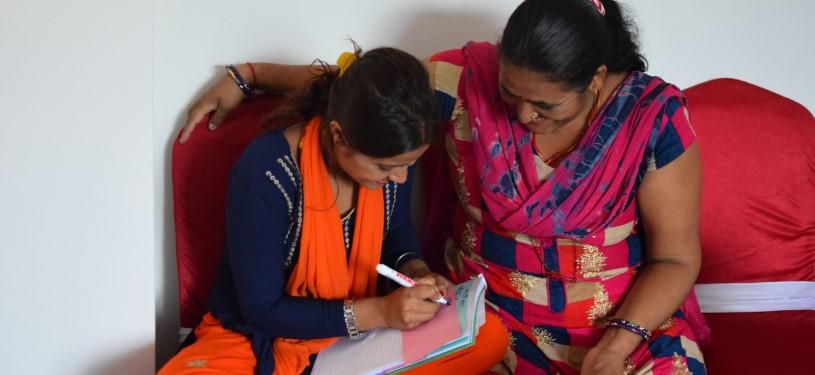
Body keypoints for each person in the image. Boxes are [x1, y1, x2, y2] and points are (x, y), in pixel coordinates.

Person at [180, 1, 710, 374]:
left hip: (624, 331)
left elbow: (676, 260)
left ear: (595, 80)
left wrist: (618, 347)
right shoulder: (466, 86)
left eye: (545, 106)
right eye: (509, 93)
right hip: (494, 322)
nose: (522, 115)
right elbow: (365, 91)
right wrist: (249, 75)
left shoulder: (652, 120)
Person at [160, 47, 508, 375]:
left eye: (409, 164)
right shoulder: (265, 173)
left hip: (358, 334)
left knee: (488, 335)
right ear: (339, 136)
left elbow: (396, 233)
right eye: (386, 167)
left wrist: (416, 271)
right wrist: (380, 312)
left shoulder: (397, 150)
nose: (400, 178)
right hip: (256, 337)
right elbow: (262, 311)